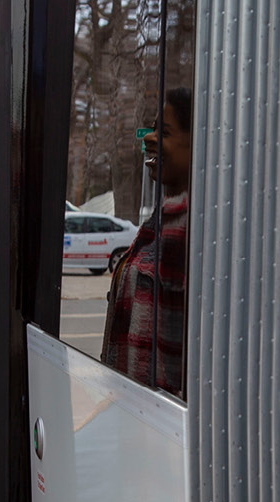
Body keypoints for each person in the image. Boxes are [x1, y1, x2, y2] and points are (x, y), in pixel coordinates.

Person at [101, 87, 194, 399]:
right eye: (153, 128)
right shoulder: (162, 220)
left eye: (164, 132)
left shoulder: (191, 231)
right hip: (133, 415)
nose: (150, 137)